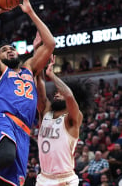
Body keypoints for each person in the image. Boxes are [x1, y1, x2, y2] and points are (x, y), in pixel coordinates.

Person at [0, 0, 56, 186]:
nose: (9, 50)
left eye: (12, 48)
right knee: (6, 157)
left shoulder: (29, 68)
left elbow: (51, 43)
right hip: (3, 121)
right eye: (4, 50)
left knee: (11, 182)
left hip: (23, 132)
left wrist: (30, 12)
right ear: (0, 57)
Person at [35, 54, 95, 186]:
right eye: (56, 92)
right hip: (43, 178)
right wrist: (38, 55)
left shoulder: (73, 118)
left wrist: (52, 75)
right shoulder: (46, 112)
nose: (57, 93)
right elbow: (39, 87)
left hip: (64, 180)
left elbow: (68, 94)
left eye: (60, 93)